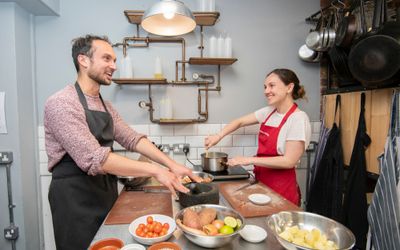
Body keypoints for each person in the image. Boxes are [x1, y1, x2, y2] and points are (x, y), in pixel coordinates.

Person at [44, 34, 201, 250]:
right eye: (107, 59)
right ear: (83, 60)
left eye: (115, 60)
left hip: (104, 191)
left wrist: (171, 165)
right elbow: (95, 158)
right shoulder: (61, 103)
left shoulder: (105, 105)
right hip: (74, 199)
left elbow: (132, 139)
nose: (114, 66)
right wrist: (154, 170)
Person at [205, 68, 311, 205]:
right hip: (262, 183)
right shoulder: (269, 112)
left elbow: (289, 161)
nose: (266, 91)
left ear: (289, 87)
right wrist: (217, 136)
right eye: (265, 87)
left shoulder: (298, 119)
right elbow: (239, 121)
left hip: (282, 189)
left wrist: (247, 159)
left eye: (272, 85)